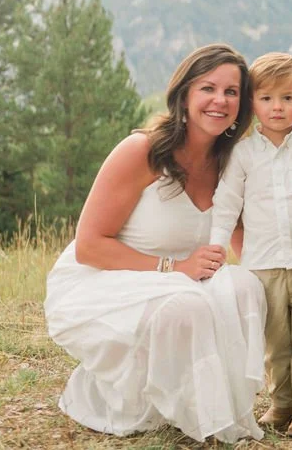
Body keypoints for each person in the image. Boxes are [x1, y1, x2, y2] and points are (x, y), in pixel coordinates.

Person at [44, 43, 266, 443]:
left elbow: (249, 241)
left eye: (232, 91)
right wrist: (175, 269)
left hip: (187, 280)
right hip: (111, 279)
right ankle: (143, 401)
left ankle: (221, 410)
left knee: (244, 286)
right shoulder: (141, 151)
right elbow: (89, 245)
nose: (220, 100)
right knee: (186, 302)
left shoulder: (231, 163)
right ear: (184, 95)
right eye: (208, 88)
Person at [210, 52, 292, 438]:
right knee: (275, 343)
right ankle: (281, 404)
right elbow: (227, 206)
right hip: (261, 266)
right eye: (266, 98)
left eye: (287, 98)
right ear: (253, 103)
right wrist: (219, 249)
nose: (277, 107)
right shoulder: (243, 155)